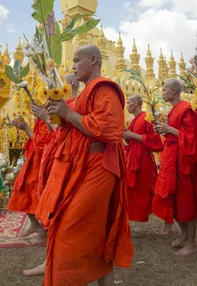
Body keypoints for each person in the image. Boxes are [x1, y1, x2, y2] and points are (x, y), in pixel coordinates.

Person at [38, 45, 133, 286]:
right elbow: (76, 128)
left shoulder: (104, 88)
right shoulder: (84, 93)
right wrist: (58, 115)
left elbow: (108, 129)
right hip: (80, 164)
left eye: (76, 60)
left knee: (69, 230)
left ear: (93, 60)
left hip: (99, 167)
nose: (72, 66)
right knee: (90, 233)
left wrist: (68, 114)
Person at [23, 74, 80, 278]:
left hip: (66, 163)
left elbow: (66, 135)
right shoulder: (67, 104)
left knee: (59, 217)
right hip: (55, 160)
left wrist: (46, 119)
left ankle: (54, 263)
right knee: (53, 214)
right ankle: (52, 261)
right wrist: (46, 119)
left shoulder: (75, 104)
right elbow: (54, 134)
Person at [152, 79, 197, 257]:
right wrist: (165, 130)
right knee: (169, 197)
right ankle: (184, 233)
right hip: (170, 158)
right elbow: (175, 134)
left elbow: (192, 138)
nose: (162, 92)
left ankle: (192, 242)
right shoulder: (173, 110)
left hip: (183, 161)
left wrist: (170, 130)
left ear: (174, 91)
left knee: (186, 201)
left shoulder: (186, 109)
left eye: (164, 89)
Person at [8, 105, 54, 243]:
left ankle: (46, 231)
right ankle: (34, 224)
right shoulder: (39, 121)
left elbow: (42, 145)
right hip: (32, 162)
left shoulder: (51, 120)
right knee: (23, 189)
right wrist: (25, 127)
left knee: (39, 195)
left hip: (43, 162)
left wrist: (26, 129)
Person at [123, 94, 164, 222]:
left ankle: (165, 217)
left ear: (135, 103)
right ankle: (132, 215)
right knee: (132, 188)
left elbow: (156, 142)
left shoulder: (147, 118)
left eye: (128, 102)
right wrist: (126, 136)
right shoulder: (132, 120)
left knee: (149, 188)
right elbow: (130, 140)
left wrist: (132, 135)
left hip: (143, 159)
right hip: (132, 157)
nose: (127, 105)